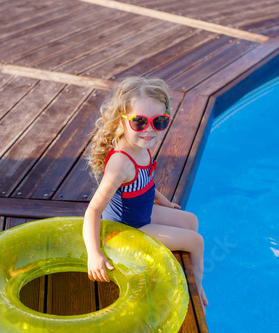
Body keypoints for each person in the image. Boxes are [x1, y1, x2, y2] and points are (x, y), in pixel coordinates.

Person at [82, 76, 208, 312]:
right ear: (123, 120)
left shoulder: (142, 147)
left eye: (158, 121)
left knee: (191, 221)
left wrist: (163, 200)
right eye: (139, 122)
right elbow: (93, 210)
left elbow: (145, 182)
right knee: (196, 241)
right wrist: (94, 254)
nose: (149, 130)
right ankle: (196, 290)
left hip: (141, 213)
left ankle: (183, 268)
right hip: (128, 228)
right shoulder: (121, 163)